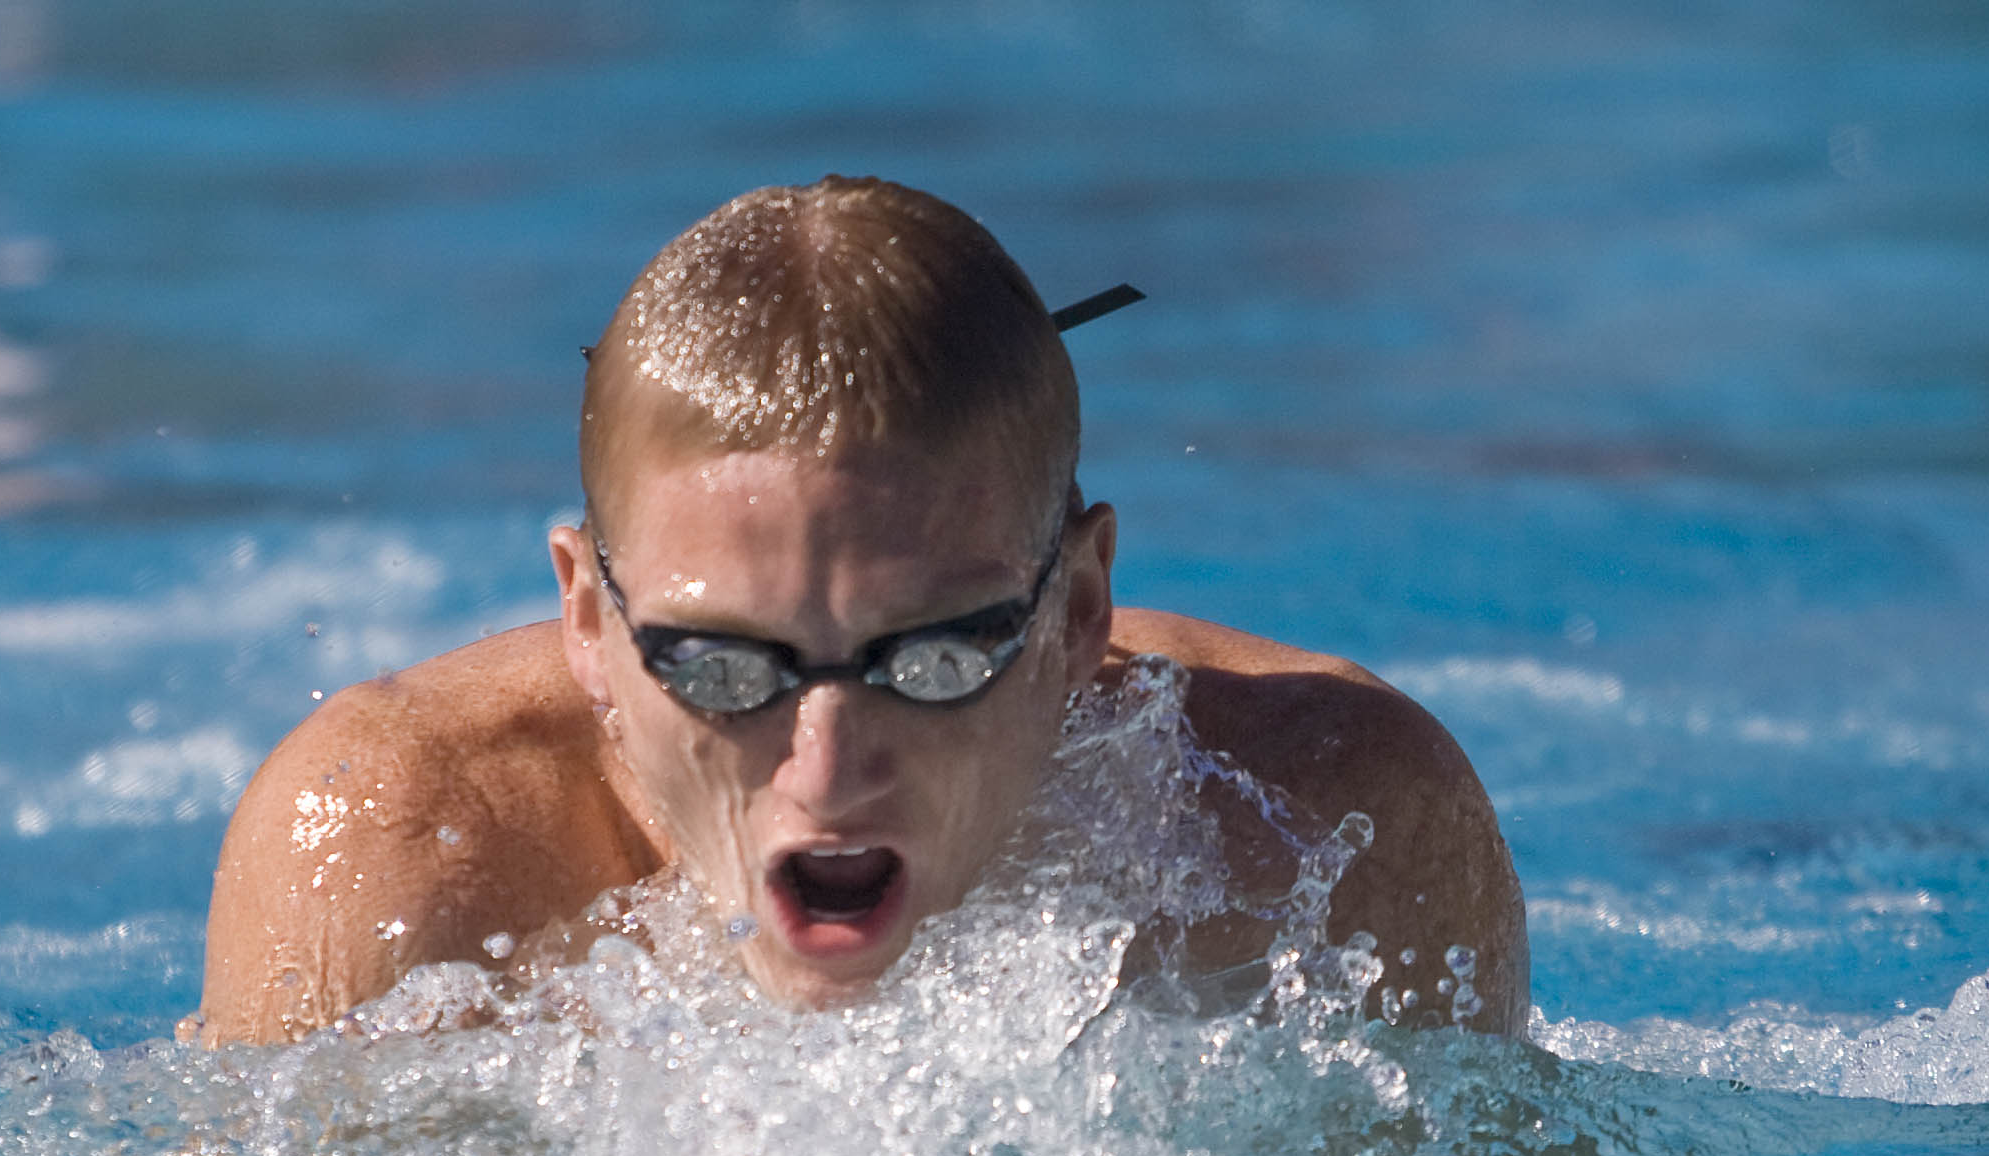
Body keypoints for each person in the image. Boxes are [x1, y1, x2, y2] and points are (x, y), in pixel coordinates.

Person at [185, 175, 1527, 1053]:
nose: (825, 766)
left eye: (934, 657)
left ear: (1075, 614)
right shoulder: (394, 856)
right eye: (721, 664)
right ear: (590, 621)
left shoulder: (1332, 835)